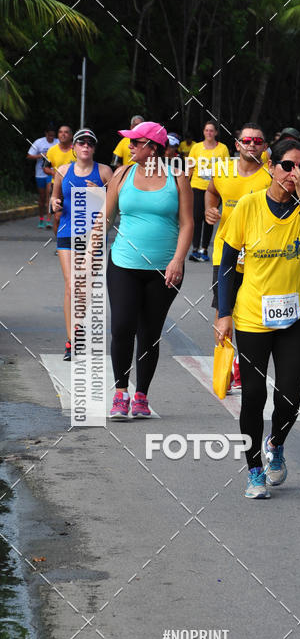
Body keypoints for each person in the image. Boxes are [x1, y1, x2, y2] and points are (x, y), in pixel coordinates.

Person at [216, 138, 300, 499]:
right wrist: (223, 314)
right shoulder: (250, 206)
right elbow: (225, 263)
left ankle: (277, 442)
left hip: (298, 316)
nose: (293, 173)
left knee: (289, 397)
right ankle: (254, 469)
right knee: (253, 394)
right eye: (287, 165)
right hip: (253, 316)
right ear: (271, 167)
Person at [104, 121, 193, 419]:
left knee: (149, 333)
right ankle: (120, 392)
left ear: (152, 147)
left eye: (134, 142)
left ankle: (141, 394)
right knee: (122, 327)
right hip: (123, 264)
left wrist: (178, 260)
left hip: (163, 269)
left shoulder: (177, 178)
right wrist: (90, 246)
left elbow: (187, 223)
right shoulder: (122, 174)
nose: (129, 147)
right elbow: (105, 217)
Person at [204, 123, 272, 390]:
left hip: (260, 254)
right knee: (224, 311)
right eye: (247, 140)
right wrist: (211, 209)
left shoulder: (270, 174)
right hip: (226, 253)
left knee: (252, 313)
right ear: (237, 144)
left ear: (265, 146)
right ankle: (227, 365)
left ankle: (243, 366)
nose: (252, 144)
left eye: (257, 140)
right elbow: (210, 192)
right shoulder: (223, 169)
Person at [51, 129, 113, 360]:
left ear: (94, 148)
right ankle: (72, 340)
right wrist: (54, 203)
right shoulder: (63, 170)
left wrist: (98, 193)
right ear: (74, 148)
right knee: (71, 285)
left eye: (90, 143)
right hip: (67, 234)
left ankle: (79, 327)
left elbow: (116, 204)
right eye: (81, 142)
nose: (85, 146)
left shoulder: (105, 172)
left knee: (84, 288)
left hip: (93, 237)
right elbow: (54, 198)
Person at [188, 121, 230, 262]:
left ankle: (204, 248)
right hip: (198, 186)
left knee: (209, 218)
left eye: (211, 131)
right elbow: (190, 167)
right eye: (206, 130)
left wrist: (225, 188)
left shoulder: (223, 149)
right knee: (196, 217)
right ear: (203, 132)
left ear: (216, 133)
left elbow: (227, 169)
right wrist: (186, 184)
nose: (209, 133)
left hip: (214, 188)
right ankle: (195, 249)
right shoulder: (196, 147)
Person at [26, 124, 56, 227]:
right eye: (49, 135)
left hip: (51, 172)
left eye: (53, 135)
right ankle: (41, 219)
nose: (51, 138)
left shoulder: (57, 143)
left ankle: (48, 220)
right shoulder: (39, 142)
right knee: (42, 197)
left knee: (49, 196)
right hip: (40, 173)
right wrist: (41, 155)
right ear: (46, 134)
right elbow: (29, 156)